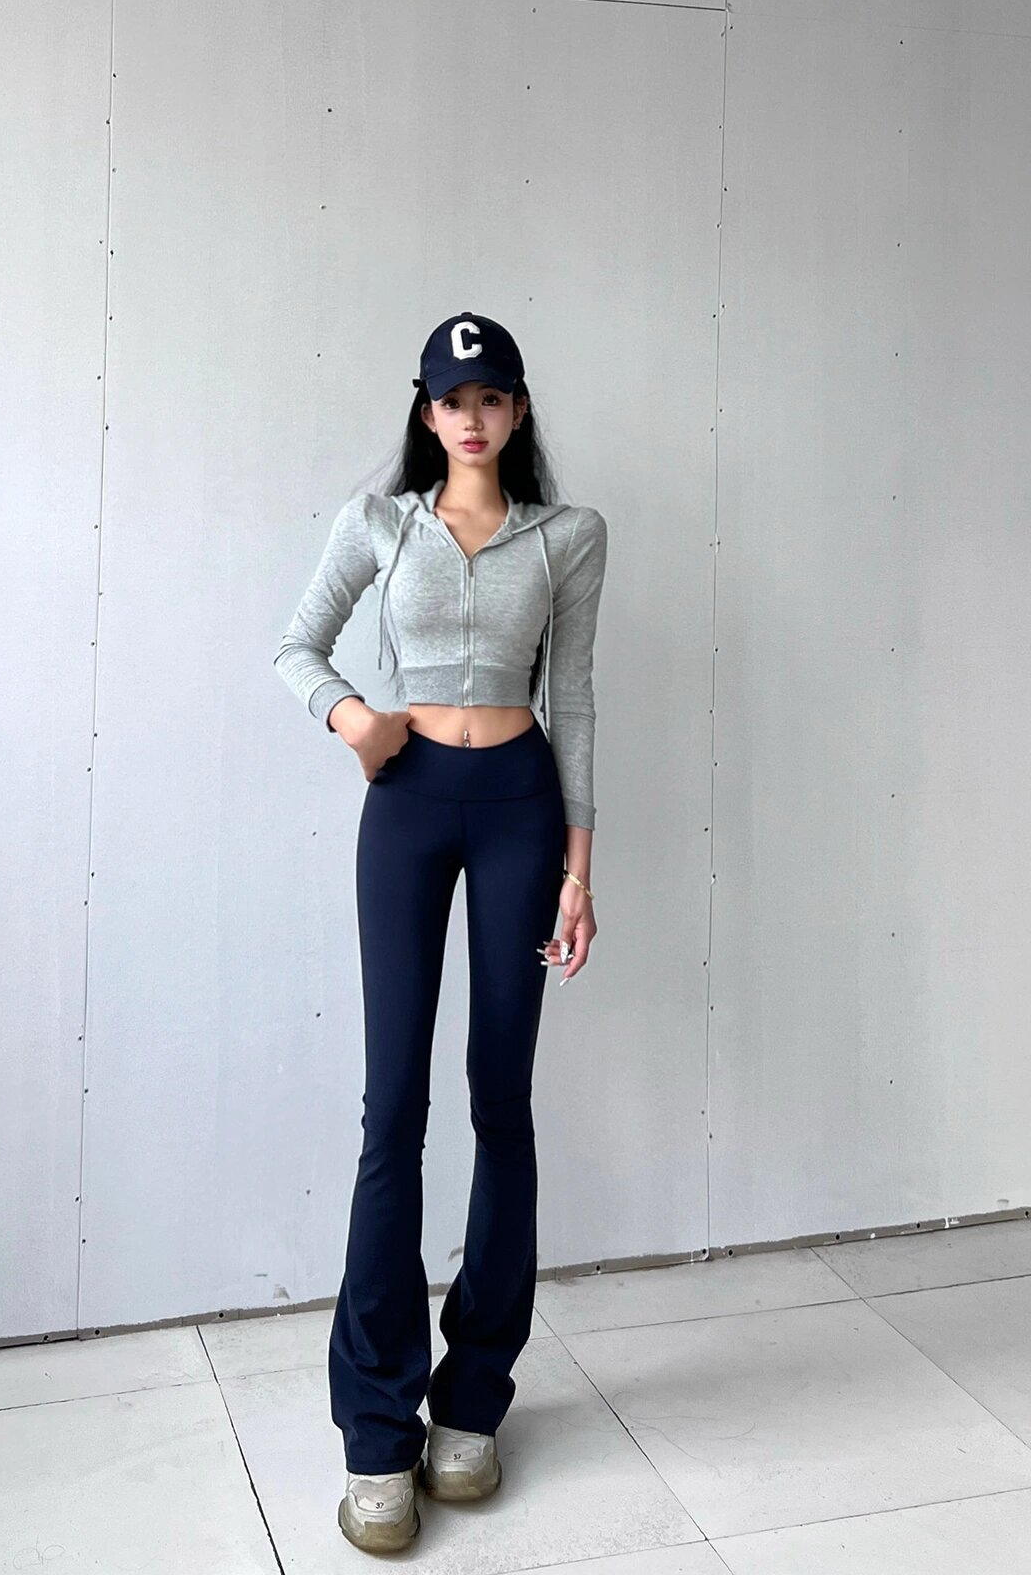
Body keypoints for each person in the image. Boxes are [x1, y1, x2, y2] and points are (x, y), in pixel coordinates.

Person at [273, 310, 609, 1554]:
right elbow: (296, 644)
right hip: (408, 806)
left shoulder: (568, 537)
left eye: (493, 397)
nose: (472, 417)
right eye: (452, 398)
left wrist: (580, 868)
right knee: (393, 1110)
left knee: (501, 1102)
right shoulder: (381, 524)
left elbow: (574, 694)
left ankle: (472, 1403)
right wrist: (353, 718)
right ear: (426, 411)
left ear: (518, 411)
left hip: (519, 806)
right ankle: (377, 1432)